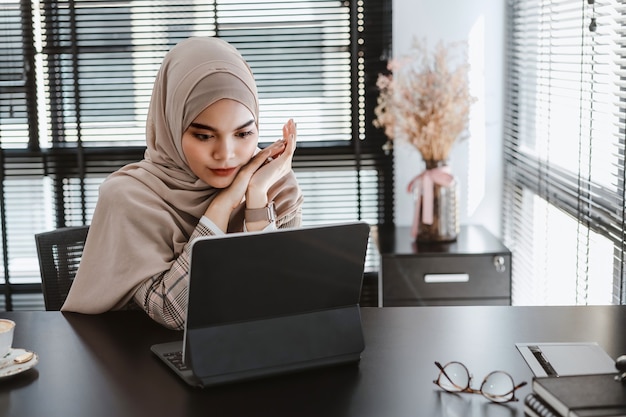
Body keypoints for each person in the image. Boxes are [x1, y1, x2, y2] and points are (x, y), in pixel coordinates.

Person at [61, 37, 303, 330]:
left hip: (245, 357)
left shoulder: (273, 186)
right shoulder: (130, 197)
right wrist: (223, 204)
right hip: (138, 364)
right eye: (204, 135)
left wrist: (256, 201)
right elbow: (175, 313)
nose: (225, 154)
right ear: (171, 126)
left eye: (242, 134)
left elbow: (279, 302)